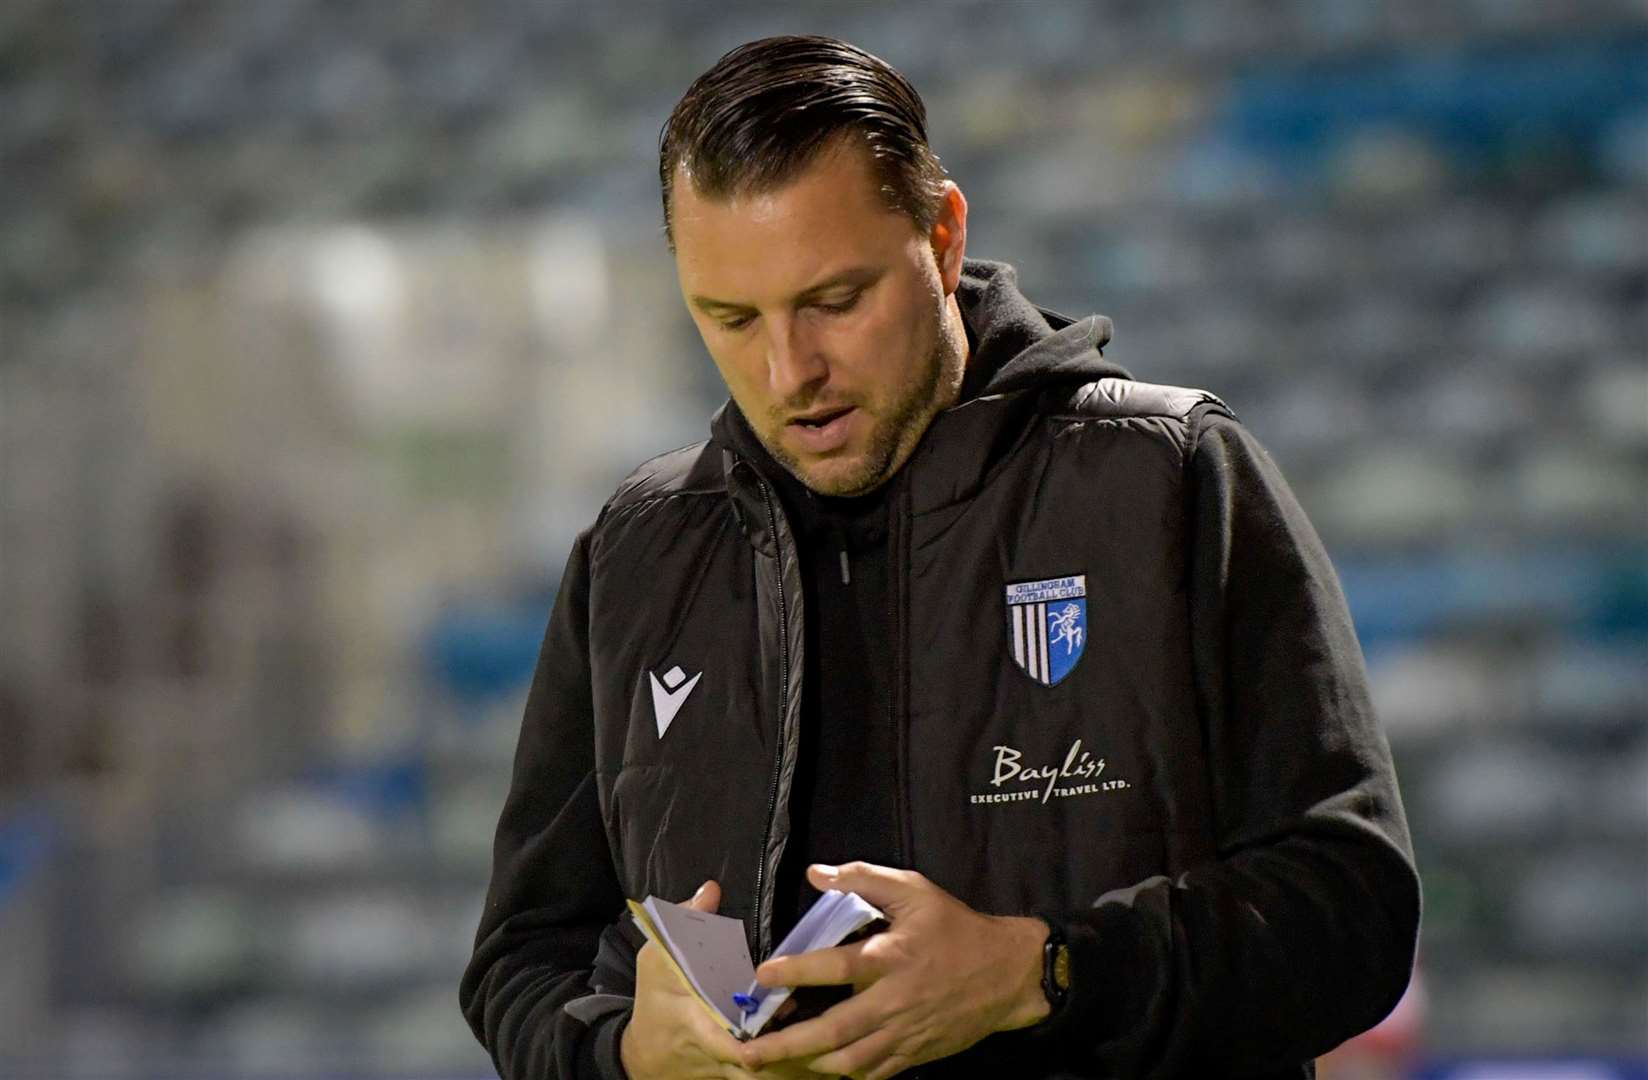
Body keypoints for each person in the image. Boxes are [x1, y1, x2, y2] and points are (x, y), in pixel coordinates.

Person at [459, 34, 1420, 1080]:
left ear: (944, 237)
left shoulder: (1171, 479)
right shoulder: (635, 553)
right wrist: (624, 1053)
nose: (790, 372)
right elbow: (521, 960)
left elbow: (1351, 909)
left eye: (835, 301)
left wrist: (1040, 974)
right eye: (729, 319)